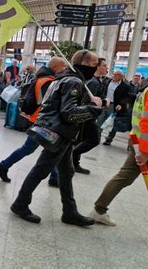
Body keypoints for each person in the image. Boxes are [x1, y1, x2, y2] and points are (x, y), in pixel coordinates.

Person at [10, 50, 102, 226]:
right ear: (83, 63)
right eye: (93, 64)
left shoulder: (62, 78)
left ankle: (70, 211)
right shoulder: (74, 81)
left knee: (66, 172)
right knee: (41, 170)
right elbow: (68, 113)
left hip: (57, 132)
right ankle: (20, 203)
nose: (96, 68)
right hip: (59, 133)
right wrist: (94, 107)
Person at [0, 57, 66, 186]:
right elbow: (47, 103)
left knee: (51, 149)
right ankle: (3, 166)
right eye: (63, 66)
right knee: (43, 149)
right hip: (43, 121)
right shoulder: (48, 81)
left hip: (40, 119)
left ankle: (54, 178)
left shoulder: (42, 78)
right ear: (55, 67)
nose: (65, 69)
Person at [90, 78, 148, 226]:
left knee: (124, 177)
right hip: (143, 145)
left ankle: (99, 209)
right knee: (124, 177)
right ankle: (99, 210)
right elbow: (147, 123)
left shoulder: (145, 89)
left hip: (138, 141)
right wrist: (145, 151)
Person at [72, 58, 110, 174]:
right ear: (97, 67)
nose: (106, 68)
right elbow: (88, 101)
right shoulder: (93, 82)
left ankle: (74, 162)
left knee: (81, 139)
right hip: (87, 116)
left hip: (88, 115)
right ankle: (72, 155)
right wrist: (104, 102)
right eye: (104, 65)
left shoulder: (97, 81)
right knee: (94, 139)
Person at [102, 70, 132, 146]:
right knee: (100, 120)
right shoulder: (107, 82)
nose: (114, 76)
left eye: (117, 75)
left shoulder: (125, 86)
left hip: (115, 106)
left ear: (121, 77)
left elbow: (127, 97)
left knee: (112, 123)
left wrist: (121, 104)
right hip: (104, 103)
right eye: (114, 74)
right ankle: (97, 135)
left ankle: (109, 139)